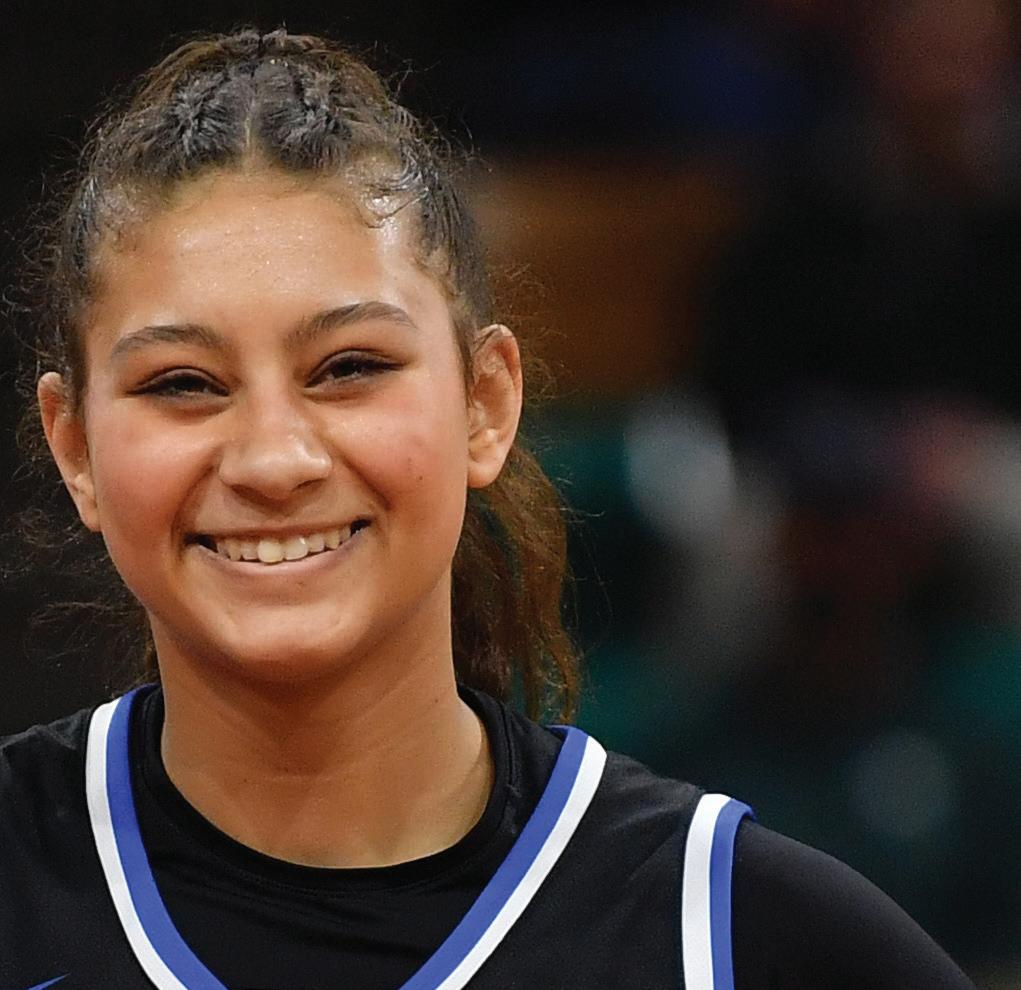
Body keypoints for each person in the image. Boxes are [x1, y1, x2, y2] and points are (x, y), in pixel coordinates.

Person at [0, 28, 977, 990]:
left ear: (486, 403)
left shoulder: (726, 930)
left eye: (349, 367)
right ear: (73, 447)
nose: (273, 459)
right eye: (181, 382)